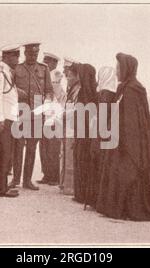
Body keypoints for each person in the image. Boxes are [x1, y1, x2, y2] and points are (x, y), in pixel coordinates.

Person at [96, 53, 150, 222]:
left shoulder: (133, 89)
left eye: (118, 68)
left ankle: (131, 209)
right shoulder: (124, 87)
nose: (116, 72)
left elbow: (132, 122)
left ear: (126, 69)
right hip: (120, 139)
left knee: (129, 174)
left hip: (129, 143)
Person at [9, 42, 54, 190]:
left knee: (31, 148)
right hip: (21, 112)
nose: (33, 56)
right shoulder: (17, 68)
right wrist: (17, 92)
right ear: (25, 53)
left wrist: (46, 102)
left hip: (36, 112)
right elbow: (10, 88)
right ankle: (15, 179)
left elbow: (49, 90)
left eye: (35, 54)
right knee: (18, 147)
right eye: (30, 53)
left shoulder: (44, 69)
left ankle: (27, 180)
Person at [0, 44, 21, 198]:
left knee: (4, 154)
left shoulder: (7, 72)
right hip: (3, 119)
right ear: (7, 57)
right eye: (15, 56)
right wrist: (0, 120)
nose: (17, 59)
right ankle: (2, 188)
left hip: (9, 118)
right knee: (4, 154)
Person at [86, 66, 117, 208]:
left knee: (98, 167)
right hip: (106, 134)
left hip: (100, 134)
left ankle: (96, 200)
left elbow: (101, 117)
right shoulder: (112, 92)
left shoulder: (105, 94)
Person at [71, 63, 97, 204]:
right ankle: (80, 193)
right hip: (81, 133)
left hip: (85, 135)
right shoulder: (89, 92)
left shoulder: (86, 93)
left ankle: (83, 194)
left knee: (84, 163)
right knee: (80, 162)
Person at [37, 52, 65, 186]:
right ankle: (47, 174)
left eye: (48, 61)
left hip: (53, 117)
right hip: (45, 116)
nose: (45, 63)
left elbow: (58, 95)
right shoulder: (45, 76)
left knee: (52, 148)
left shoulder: (56, 75)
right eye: (44, 60)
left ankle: (53, 176)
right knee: (44, 147)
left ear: (54, 63)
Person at [59, 65, 81, 195]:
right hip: (68, 125)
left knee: (69, 156)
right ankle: (65, 184)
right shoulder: (72, 88)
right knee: (65, 154)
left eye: (70, 75)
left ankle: (70, 187)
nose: (67, 78)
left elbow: (74, 108)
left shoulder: (77, 89)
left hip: (71, 126)